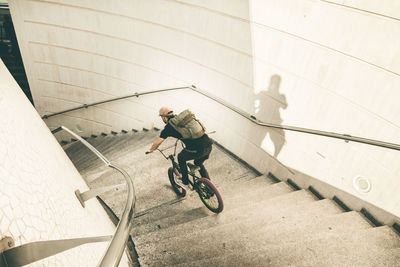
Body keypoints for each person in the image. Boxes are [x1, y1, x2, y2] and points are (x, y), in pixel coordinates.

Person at [146, 107, 212, 184]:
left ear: (163, 117)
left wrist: (151, 150)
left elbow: (158, 142)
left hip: (197, 150)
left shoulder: (168, 127)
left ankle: (185, 180)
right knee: (198, 163)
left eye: (161, 117)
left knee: (181, 157)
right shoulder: (180, 119)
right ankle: (209, 186)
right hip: (208, 144)